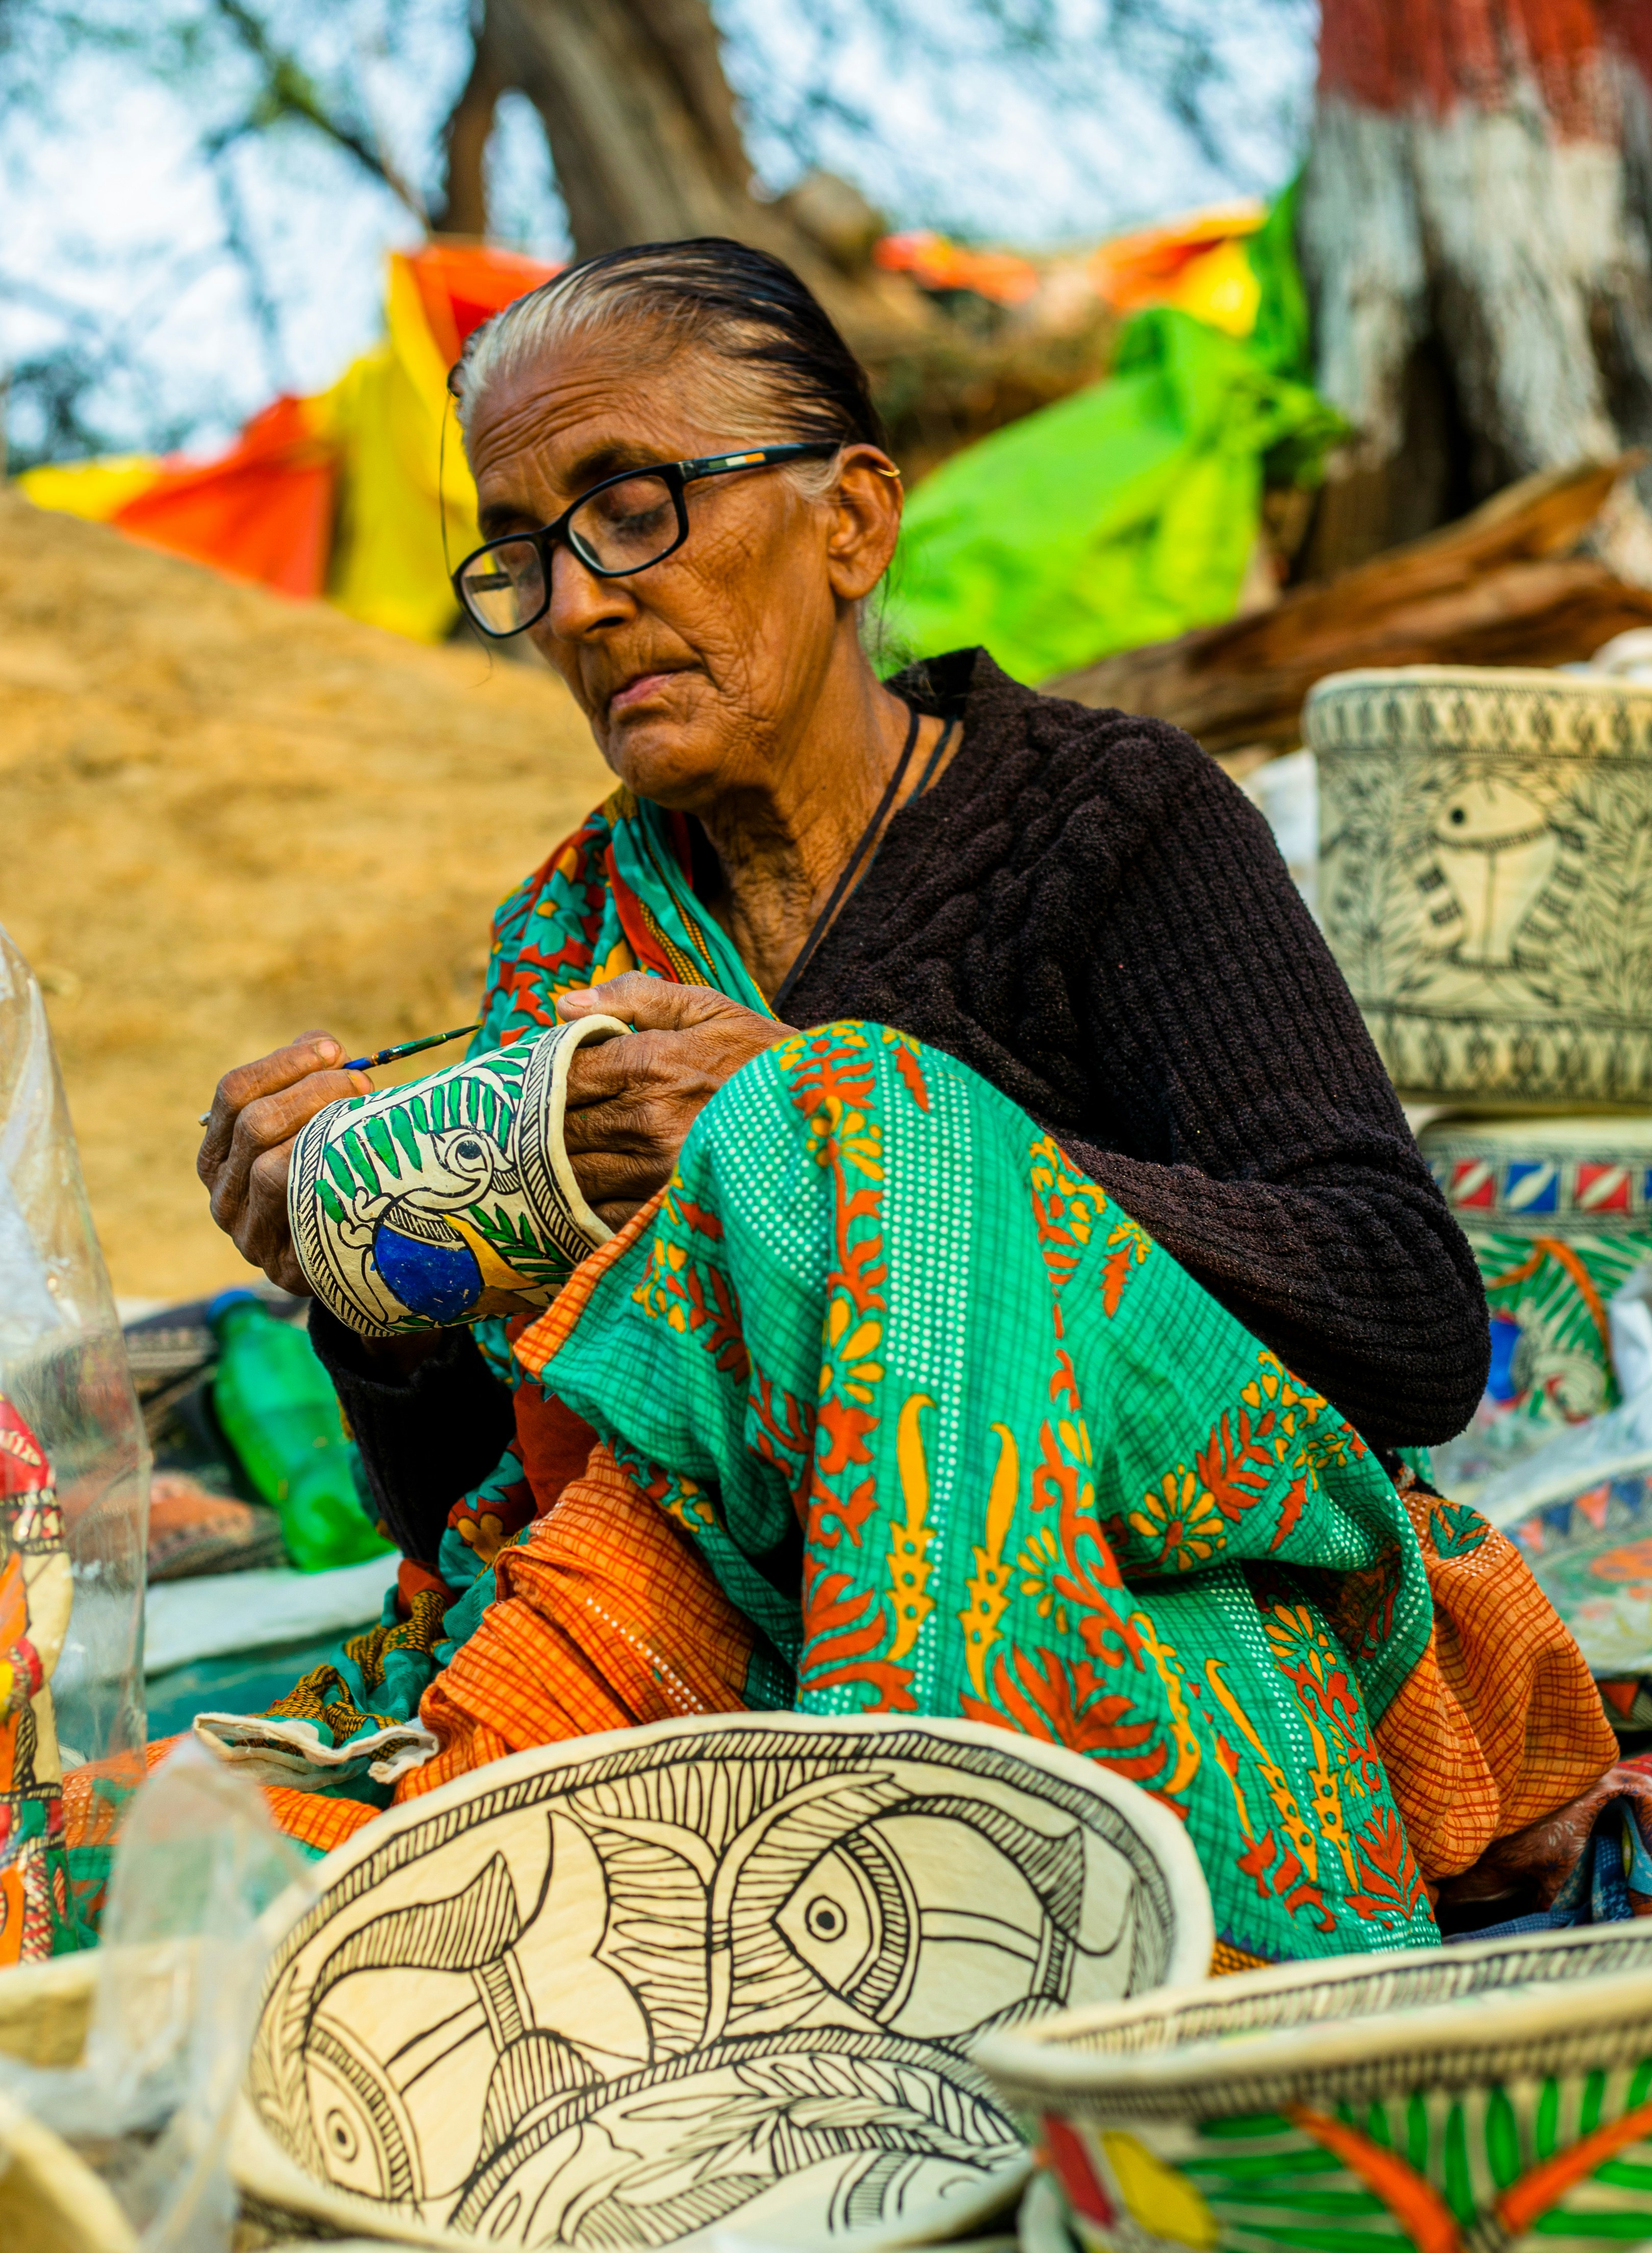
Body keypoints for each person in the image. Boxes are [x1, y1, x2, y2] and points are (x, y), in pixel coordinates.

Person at [195, 238, 1629, 1966]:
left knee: (855, 1119)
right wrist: (369, 1283)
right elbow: (500, 1513)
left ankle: (957, 1906)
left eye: (632, 507)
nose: (575, 603)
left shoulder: (1110, 822)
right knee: (160, 1889)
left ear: (852, 523)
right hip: (688, 1686)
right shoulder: (569, 941)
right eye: (520, 552)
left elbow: (1403, 1312)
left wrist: (832, 1139)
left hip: (1136, 1656)